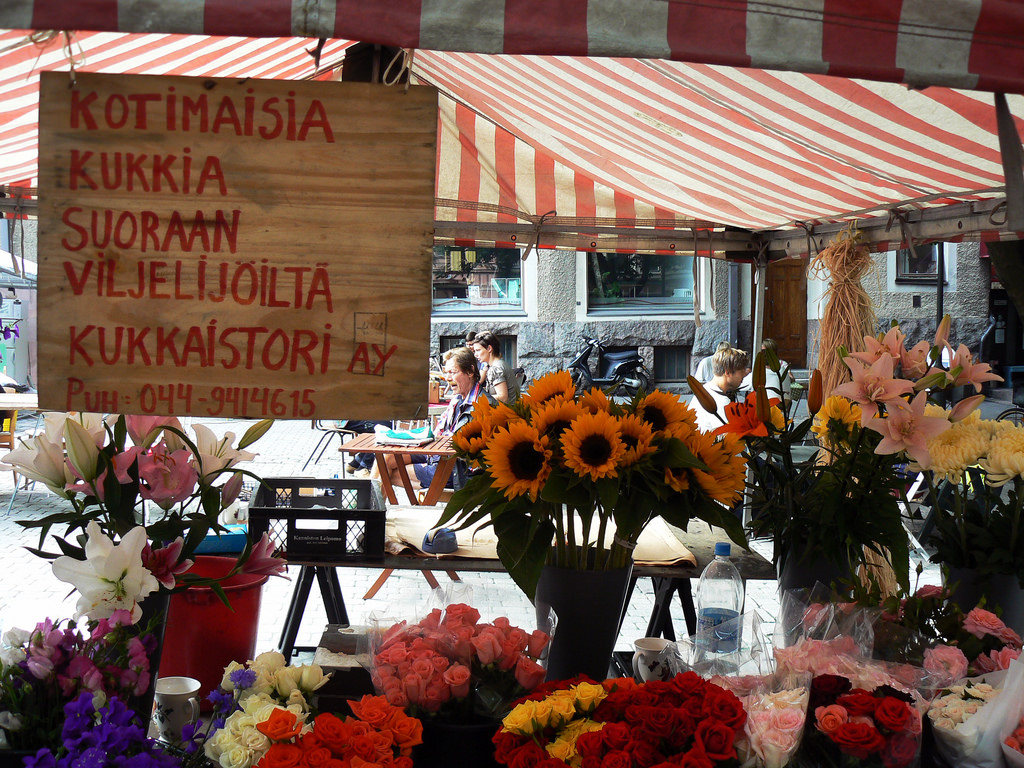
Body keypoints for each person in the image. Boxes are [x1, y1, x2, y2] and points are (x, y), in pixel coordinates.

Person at [383, 346, 483, 492]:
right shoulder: (456, 400)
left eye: (453, 372)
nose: (447, 378)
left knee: (385, 472)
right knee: (387, 457)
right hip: (436, 455)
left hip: (452, 469)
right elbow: (438, 432)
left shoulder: (482, 406)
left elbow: (467, 453)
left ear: (470, 371)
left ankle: (370, 512)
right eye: (446, 373)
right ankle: (371, 511)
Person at [687, 347, 750, 432]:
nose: (744, 374)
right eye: (741, 371)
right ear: (727, 372)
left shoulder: (705, 390)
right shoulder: (722, 402)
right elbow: (730, 439)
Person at [739, 338, 794, 406]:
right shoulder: (783, 370)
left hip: (767, 410)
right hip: (782, 408)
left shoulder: (760, 372)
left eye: (762, 352)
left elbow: (739, 385)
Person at [472, 330, 520, 403]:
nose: (475, 355)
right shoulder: (501, 363)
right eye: (475, 351)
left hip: (505, 412)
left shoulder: (495, 369)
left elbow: (503, 397)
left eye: (478, 350)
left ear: (489, 349)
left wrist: (477, 398)